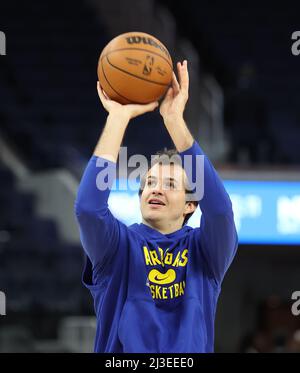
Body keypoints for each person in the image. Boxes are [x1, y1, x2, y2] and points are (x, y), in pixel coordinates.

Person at [74, 60, 238, 353]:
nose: (156, 188)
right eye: (149, 182)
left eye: (170, 184)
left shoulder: (206, 251)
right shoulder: (118, 245)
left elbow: (220, 210)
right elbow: (88, 208)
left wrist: (174, 121)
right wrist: (118, 118)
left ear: (191, 204)